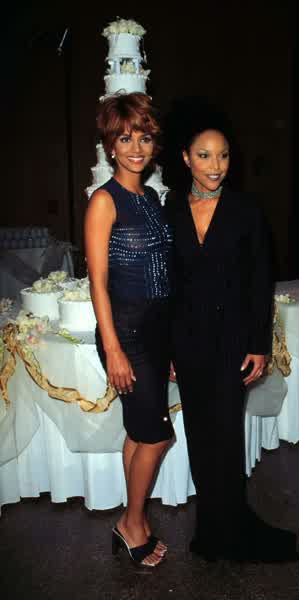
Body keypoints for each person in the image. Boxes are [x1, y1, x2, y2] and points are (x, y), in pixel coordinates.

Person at [165, 115, 299, 562]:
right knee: (200, 436)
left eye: (222, 155)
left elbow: (261, 280)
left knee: (225, 434)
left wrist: (259, 344)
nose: (215, 165)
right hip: (187, 341)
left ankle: (231, 525)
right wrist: (167, 348)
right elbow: (167, 284)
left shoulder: (245, 209)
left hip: (232, 341)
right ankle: (211, 529)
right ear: (186, 159)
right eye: (204, 155)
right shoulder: (170, 210)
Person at [84, 92, 173, 568]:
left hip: (156, 334)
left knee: (141, 432)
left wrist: (170, 344)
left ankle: (133, 519)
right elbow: (97, 282)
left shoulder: (152, 198)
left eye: (144, 137)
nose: (136, 148)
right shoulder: (105, 201)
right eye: (125, 138)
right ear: (110, 146)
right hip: (127, 335)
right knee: (157, 435)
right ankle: (131, 522)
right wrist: (114, 349)